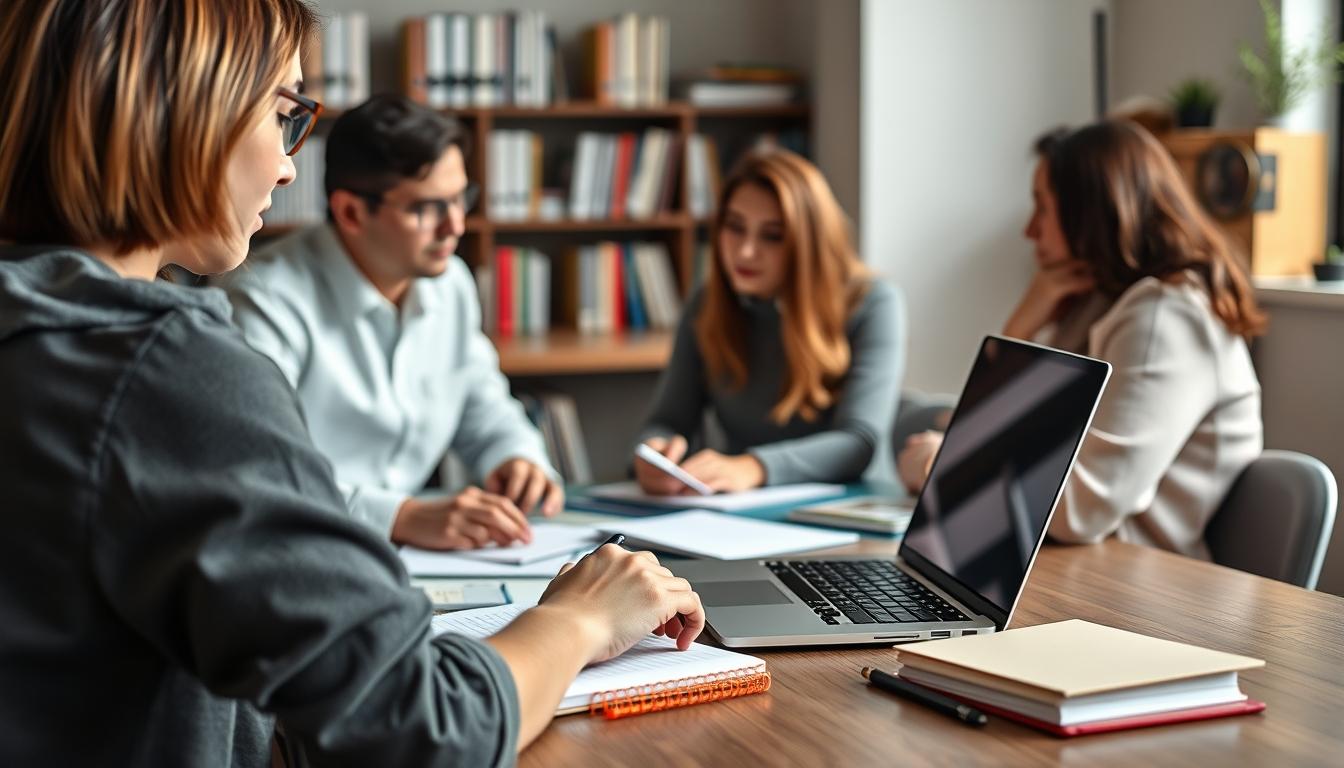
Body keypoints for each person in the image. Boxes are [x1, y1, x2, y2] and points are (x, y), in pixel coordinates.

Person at [0, 2, 703, 765]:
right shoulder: (162, 364)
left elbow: (482, 398)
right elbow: (422, 729)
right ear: (183, 111)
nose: (287, 162)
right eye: (282, 112)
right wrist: (581, 619)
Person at [898, 120, 1264, 560]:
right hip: (1066, 562)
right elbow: (996, 434)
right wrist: (1021, 328)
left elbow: (1079, 508)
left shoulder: (1165, 319)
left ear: (1091, 212)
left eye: (1042, 208)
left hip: (1131, 586)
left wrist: (946, 463)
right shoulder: (1097, 304)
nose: (1029, 231)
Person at [214, 95, 557, 552]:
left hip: (413, 558)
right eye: (427, 208)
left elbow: (482, 402)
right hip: (296, 549)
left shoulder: (450, 282)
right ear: (351, 212)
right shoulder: (263, 302)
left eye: (461, 200)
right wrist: (402, 517)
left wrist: (518, 457)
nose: (455, 225)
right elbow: (259, 471)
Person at [634, 149, 905, 494]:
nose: (746, 251)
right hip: (738, 513)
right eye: (734, 227)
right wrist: (653, 451)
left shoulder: (872, 302)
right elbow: (667, 420)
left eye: (772, 235)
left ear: (809, 243)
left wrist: (754, 467)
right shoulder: (707, 304)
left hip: (851, 513)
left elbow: (859, 441)